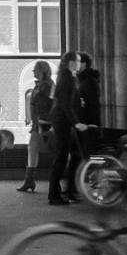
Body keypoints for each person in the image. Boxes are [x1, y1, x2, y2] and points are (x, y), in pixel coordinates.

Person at [46, 54, 84, 204]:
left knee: (67, 155)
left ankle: (62, 192)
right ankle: (54, 195)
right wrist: (75, 123)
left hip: (60, 119)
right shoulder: (68, 78)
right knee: (61, 157)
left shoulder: (65, 76)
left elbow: (63, 100)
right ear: (71, 62)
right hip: (63, 121)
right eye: (78, 61)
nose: (80, 63)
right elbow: (64, 103)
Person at [17, 60, 52, 192]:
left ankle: (30, 181)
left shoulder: (47, 85)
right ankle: (29, 180)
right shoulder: (40, 85)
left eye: (35, 70)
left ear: (42, 70)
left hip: (44, 123)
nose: (33, 72)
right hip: (38, 123)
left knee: (36, 149)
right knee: (32, 148)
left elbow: (49, 103)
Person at [72, 52, 103, 189]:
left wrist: (92, 125)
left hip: (87, 124)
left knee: (88, 154)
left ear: (84, 64)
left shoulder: (89, 82)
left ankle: (92, 184)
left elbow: (93, 105)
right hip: (84, 123)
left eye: (77, 62)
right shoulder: (84, 81)